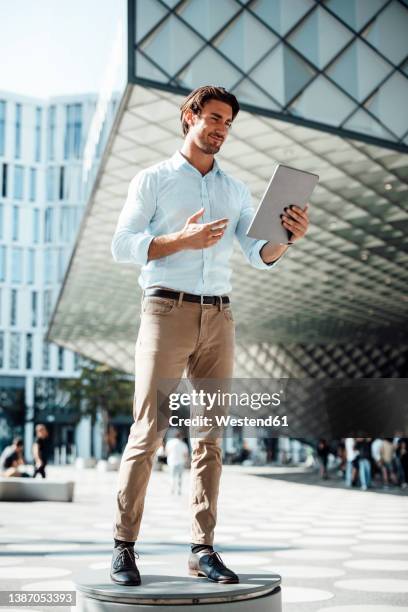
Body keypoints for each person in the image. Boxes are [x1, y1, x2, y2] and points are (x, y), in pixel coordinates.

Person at [110, 85, 310, 586]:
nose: (221, 129)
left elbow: (256, 253)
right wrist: (182, 239)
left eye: (228, 124)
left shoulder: (235, 190)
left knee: (210, 440)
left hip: (219, 319)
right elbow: (121, 244)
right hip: (165, 310)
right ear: (190, 116)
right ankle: (123, 546)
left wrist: (286, 238)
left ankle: (203, 549)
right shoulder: (153, 179)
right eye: (215, 118)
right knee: (147, 433)